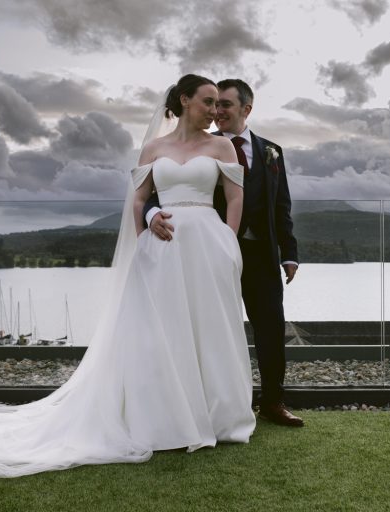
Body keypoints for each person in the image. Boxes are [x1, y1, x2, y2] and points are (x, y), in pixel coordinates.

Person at [0, 74, 257, 477]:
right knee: (162, 330)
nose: (214, 110)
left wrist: (228, 239)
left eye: (218, 103)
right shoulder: (154, 147)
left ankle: (220, 418)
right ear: (185, 100)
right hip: (162, 249)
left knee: (211, 327)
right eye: (207, 101)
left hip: (209, 246)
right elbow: (138, 199)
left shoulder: (221, 145)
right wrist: (145, 234)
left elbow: (236, 196)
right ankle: (168, 417)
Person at [145, 79, 303, 427]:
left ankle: (273, 402)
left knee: (270, 328)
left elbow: (282, 206)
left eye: (226, 106)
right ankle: (210, 404)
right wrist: (149, 213)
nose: (218, 112)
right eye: (214, 105)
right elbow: (163, 189)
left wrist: (288, 253)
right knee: (208, 327)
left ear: (246, 109)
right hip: (205, 252)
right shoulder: (198, 145)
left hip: (260, 254)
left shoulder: (271, 151)